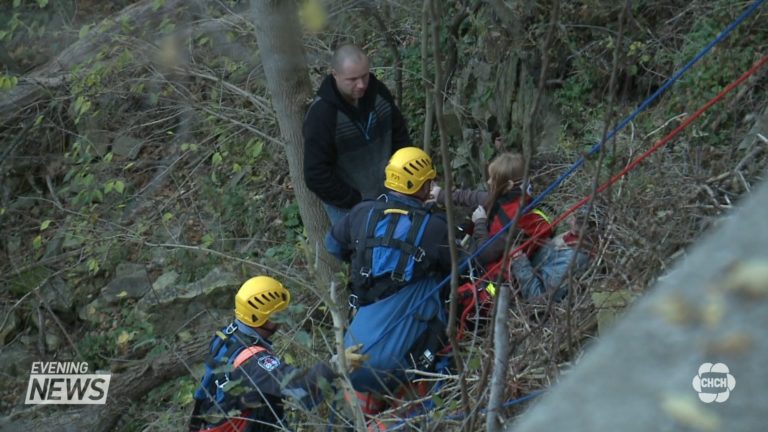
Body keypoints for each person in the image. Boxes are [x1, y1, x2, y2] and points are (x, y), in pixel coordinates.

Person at [324, 147, 453, 417]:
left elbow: (332, 245)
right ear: (421, 185)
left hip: (351, 358)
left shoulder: (363, 213)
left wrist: (365, 259)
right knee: (434, 282)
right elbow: (466, 264)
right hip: (400, 364)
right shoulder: (434, 228)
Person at [189, 276, 367, 432]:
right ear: (264, 318)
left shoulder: (227, 335)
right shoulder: (253, 361)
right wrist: (335, 365)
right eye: (278, 314)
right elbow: (298, 384)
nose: (282, 319)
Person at [304, 44, 411, 224]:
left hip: (393, 192)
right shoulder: (322, 115)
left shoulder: (379, 93)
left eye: (364, 76)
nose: (361, 85)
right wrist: (356, 200)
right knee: (363, 252)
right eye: (352, 79)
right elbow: (316, 175)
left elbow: (400, 138)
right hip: (349, 209)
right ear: (335, 74)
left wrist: (405, 178)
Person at [430, 152, 553, 268]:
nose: (488, 182)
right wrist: (441, 195)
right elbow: (475, 197)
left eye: (493, 179)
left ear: (509, 185)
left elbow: (484, 255)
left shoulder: (510, 221)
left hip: (498, 280)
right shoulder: (514, 197)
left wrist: (480, 222)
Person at [511, 203, 604, 302]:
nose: (569, 221)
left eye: (576, 220)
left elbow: (538, 297)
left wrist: (519, 262)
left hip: (515, 298)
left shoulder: (572, 261)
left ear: (587, 228)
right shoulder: (571, 238)